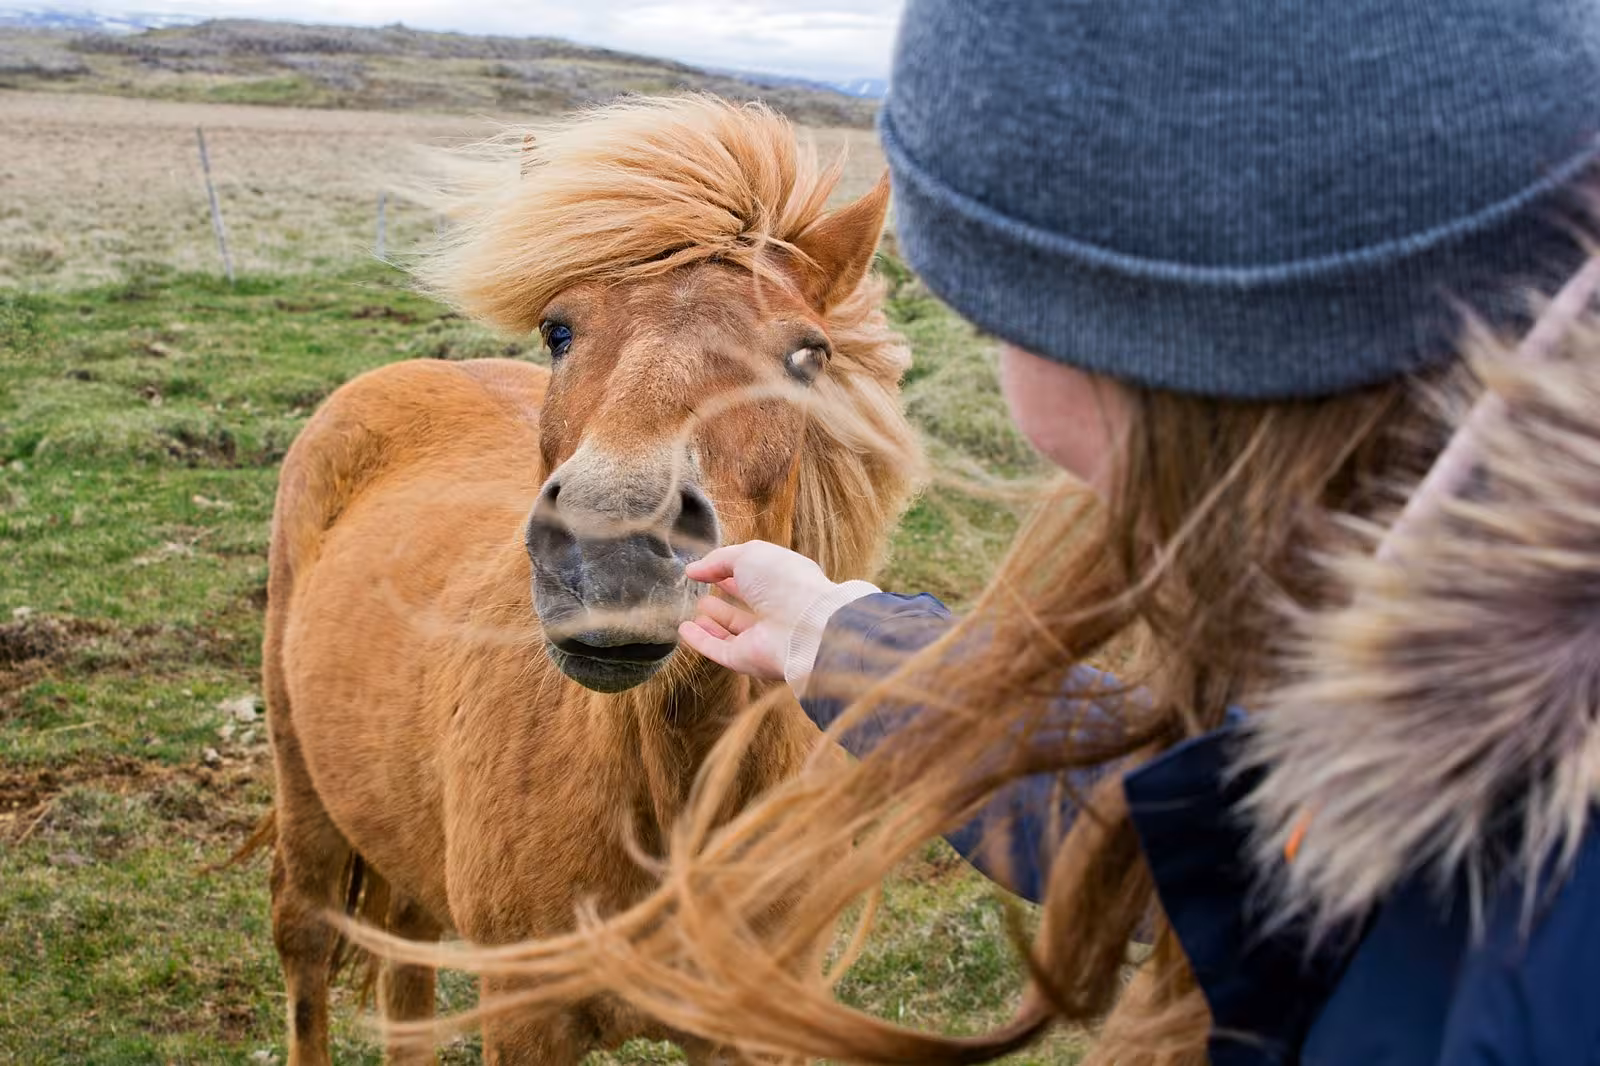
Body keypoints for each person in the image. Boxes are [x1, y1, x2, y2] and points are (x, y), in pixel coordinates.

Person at [658, 1, 1600, 1063]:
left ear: (1164, 331)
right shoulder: (1468, 677)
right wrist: (833, 628)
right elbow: (1239, 833)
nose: (1004, 380)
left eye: (991, 311)